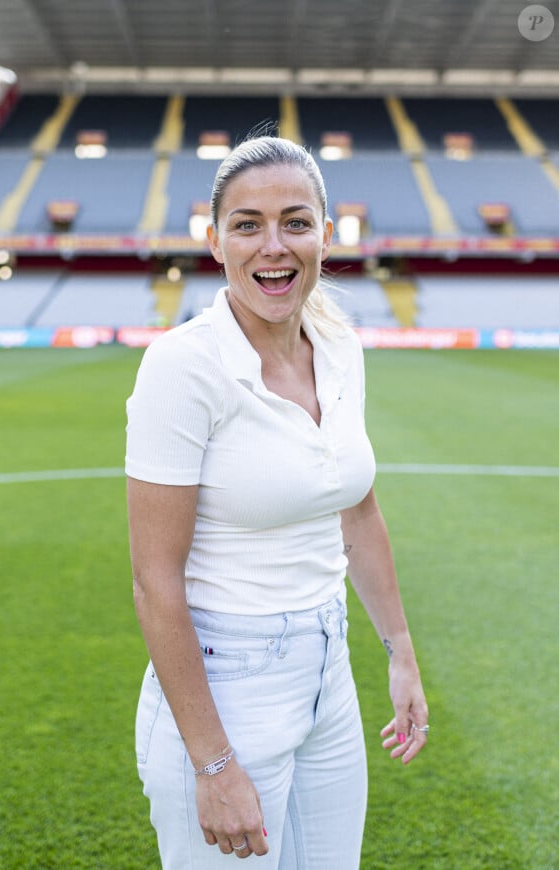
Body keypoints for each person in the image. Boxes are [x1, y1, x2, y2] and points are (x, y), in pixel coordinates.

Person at [125, 134, 428, 869]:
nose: (275, 246)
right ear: (216, 240)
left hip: (330, 674)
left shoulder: (341, 347)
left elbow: (356, 510)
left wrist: (401, 655)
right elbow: (154, 581)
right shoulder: (182, 366)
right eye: (248, 224)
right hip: (226, 678)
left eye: (296, 222)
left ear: (325, 234)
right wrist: (212, 762)